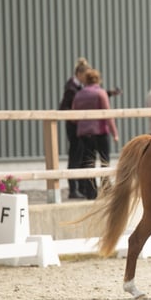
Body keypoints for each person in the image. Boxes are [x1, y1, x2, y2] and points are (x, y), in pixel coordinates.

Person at [72, 68, 119, 200]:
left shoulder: (79, 94)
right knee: (104, 160)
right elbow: (107, 114)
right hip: (99, 131)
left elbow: (74, 114)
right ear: (98, 79)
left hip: (84, 132)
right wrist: (115, 132)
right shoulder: (100, 93)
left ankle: (91, 192)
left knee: (88, 161)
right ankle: (106, 190)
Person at [59, 58, 90, 198]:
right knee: (75, 157)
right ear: (79, 74)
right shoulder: (71, 88)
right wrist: (73, 118)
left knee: (82, 156)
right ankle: (73, 189)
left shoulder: (80, 87)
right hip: (74, 128)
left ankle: (82, 188)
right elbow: (63, 107)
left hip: (81, 127)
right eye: (85, 76)